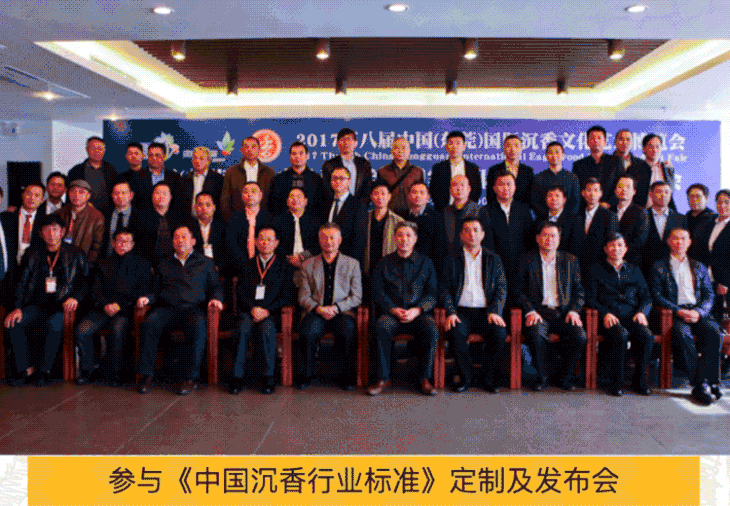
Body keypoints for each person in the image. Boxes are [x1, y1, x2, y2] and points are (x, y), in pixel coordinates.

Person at [136, 224, 224, 396]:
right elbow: (155, 290)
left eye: (184, 237)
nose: (180, 240)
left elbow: (216, 287)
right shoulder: (164, 263)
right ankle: (146, 375)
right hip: (167, 308)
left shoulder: (205, 263)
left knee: (199, 327)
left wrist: (216, 299)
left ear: (193, 241)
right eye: (176, 237)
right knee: (150, 323)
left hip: (192, 309)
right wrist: (147, 298)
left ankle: (190, 378)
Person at [4, 214, 89, 386]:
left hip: (62, 307)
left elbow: (86, 282)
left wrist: (75, 298)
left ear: (62, 232)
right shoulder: (32, 253)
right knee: (14, 322)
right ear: (41, 233)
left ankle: (44, 371)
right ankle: (26, 369)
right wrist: (17, 308)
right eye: (47, 229)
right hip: (37, 306)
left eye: (55, 229)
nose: (51, 233)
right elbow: (21, 283)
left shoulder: (75, 253)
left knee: (53, 324)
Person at [649, 227, 723, 405]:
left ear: (689, 243)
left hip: (698, 312)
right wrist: (678, 311)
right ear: (668, 241)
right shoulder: (659, 266)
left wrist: (699, 312)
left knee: (714, 332)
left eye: (683, 239)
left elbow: (709, 295)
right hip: (676, 313)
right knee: (683, 335)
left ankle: (710, 381)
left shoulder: (699, 266)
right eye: (675, 238)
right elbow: (657, 296)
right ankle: (701, 383)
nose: (679, 242)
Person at [368, 222, 439, 396]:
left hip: (417, 314)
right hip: (392, 314)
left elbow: (432, 294)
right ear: (394, 238)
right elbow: (377, 292)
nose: (404, 239)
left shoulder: (426, 263)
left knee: (431, 328)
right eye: (400, 235)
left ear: (415, 239)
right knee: (382, 326)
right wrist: (393, 309)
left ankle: (425, 378)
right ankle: (383, 378)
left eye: (408, 235)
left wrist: (418, 310)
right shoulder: (383, 263)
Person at [75, 228, 152, 387]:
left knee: (117, 329)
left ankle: (116, 372)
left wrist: (120, 305)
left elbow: (142, 291)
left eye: (127, 241)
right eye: (119, 241)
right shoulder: (103, 263)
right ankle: (89, 369)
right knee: (82, 330)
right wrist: (105, 305)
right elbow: (95, 290)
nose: (122, 245)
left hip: (125, 310)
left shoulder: (142, 264)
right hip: (102, 308)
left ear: (132, 244)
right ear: (112, 243)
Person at [516, 221, 587, 391]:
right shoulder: (526, 260)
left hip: (563, 313)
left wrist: (574, 311)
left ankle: (565, 375)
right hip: (538, 312)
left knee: (579, 336)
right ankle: (541, 376)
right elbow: (517, 291)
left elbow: (579, 292)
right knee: (535, 333)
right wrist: (530, 311)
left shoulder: (570, 261)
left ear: (559, 239)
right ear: (537, 238)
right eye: (545, 235)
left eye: (553, 236)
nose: (549, 239)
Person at [440, 217, 507, 393]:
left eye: (476, 230)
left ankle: (488, 377)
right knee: (455, 331)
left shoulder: (494, 259)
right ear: (461, 235)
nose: (472, 234)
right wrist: (451, 312)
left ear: (483, 234)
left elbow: (501, 288)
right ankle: (465, 377)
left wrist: (496, 311)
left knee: (499, 333)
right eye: (467, 230)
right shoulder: (452, 259)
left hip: (487, 312)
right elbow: (444, 290)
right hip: (461, 312)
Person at [229, 226, 294, 395]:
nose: (265, 243)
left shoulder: (284, 267)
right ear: (256, 242)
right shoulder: (247, 265)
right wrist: (253, 308)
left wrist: (267, 311)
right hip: (249, 311)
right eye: (262, 239)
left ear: (276, 243)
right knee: (242, 328)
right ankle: (237, 377)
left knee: (267, 328)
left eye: (269, 239)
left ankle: (268, 376)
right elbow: (240, 292)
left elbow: (287, 296)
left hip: (272, 313)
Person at [298, 223, 362, 391]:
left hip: (342, 311)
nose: (328, 241)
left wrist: (336, 308)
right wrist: (318, 308)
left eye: (332, 237)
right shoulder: (308, 264)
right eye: (324, 238)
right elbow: (303, 296)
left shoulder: (352, 264)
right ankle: (307, 374)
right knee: (308, 331)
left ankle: (347, 376)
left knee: (348, 331)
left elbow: (357, 296)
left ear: (340, 240)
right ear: (319, 240)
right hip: (316, 311)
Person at [588, 232, 653, 397]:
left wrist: (642, 312)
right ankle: (616, 382)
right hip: (609, 318)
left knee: (646, 336)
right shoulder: (595, 270)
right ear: (605, 249)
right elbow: (590, 299)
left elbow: (646, 297)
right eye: (612, 245)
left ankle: (640, 381)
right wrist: (605, 313)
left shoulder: (634, 270)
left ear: (625, 249)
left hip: (632, 316)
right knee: (620, 335)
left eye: (619, 245)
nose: (616, 249)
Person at [487, 170, 534, 306]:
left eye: (509, 184)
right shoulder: (486, 211)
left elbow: (529, 239)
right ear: (494, 188)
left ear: (515, 187)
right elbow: (486, 242)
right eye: (501, 184)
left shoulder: (524, 210)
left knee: (519, 305)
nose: (505, 188)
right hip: (495, 268)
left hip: (521, 267)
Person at [353, 183, 404, 301]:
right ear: (371, 196)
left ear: (389, 196)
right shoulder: (364, 218)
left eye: (383, 194)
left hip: (389, 271)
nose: (380, 197)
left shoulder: (398, 221)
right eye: (376, 193)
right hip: (367, 268)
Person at [440, 175, 494, 268]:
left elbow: (488, 241)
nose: (459, 188)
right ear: (450, 189)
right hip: (450, 263)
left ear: (469, 189)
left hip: (474, 262)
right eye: (455, 185)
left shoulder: (479, 211)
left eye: (462, 185)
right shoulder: (445, 212)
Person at [692, 190, 730, 321]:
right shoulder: (710, 223)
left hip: (724, 283)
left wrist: (726, 282)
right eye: (719, 202)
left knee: (722, 320)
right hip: (708, 279)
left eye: (727, 202)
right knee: (708, 317)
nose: (722, 205)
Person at [221, 136, 276, 220]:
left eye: (253, 147)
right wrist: (229, 219)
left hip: (264, 220)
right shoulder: (232, 172)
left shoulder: (269, 173)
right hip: (237, 220)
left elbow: (273, 199)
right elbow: (225, 199)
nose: (250, 150)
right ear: (241, 150)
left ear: (259, 149)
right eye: (246, 147)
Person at [225, 182, 275, 273]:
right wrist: (245, 265)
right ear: (242, 196)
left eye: (253, 191)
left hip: (265, 267)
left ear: (260, 195)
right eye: (246, 192)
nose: (249, 194)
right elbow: (231, 244)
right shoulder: (234, 218)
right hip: (239, 267)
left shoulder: (270, 219)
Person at [268, 141, 326, 217]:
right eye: (294, 154)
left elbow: (321, 206)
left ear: (307, 156)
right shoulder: (279, 179)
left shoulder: (316, 179)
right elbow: (273, 205)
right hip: (284, 221)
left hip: (311, 222)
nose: (297, 156)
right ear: (290, 156)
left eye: (301, 153)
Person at [429, 130, 482, 212]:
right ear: (446, 147)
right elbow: (434, 191)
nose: (454, 146)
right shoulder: (438, 168)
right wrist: (444, 210)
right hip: (444, 212)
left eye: (458, 143)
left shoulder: (473, 168)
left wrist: (468, 208)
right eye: (451, 143)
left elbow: (476, 191)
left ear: (464, 147)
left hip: (468, 212)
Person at [575, 177, 619, 276]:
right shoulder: (576, 215)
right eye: (589, 190)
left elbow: (611, 243)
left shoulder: (610, 216)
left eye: (596, 190)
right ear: (583, 193)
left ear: (601, 193)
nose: (592, 194)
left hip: (600, 268)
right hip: (578, 267)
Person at [642, 181, 686, 276]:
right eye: (659, 192)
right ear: (651, 195)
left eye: (667, 192)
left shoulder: (680, 218)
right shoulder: (641, 215)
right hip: (646, 268)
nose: (663, 195)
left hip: (673, 269)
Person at [572, 125, 622, 209]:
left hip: (611, 208)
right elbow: (577, 190)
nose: (596, 140)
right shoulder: (579, 165)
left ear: (605, 142)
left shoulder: (616, 162)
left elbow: (620, 184)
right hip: (586, 209)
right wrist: (590, 204)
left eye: (599, 138)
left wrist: (609, 203)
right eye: (592, 138)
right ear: (587, 142)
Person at [56, 179, 105, 264]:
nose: (76, 195)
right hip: (60, 261)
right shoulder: (60, 213)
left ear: (88, 196)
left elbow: (97, 248)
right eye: (73, 192)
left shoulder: (97, 217)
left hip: (83, 264)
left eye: (81, 192)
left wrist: (86, 266)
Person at [276, 188, 321, 278]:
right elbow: (275, 245)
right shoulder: (278, 221)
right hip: (285, 264)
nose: (295, 199)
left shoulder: (315, 222)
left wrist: (302, 257)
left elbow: (319, 244)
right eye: (292, 197)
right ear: (287, 201)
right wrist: (290, 259)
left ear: (305, 201)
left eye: (299, 197)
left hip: (311, 264)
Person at [126, 142, 181, 215]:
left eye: (157, 155)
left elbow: (177, 202)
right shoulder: (137, 177)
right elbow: (134, 202)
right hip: (143, 218)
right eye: (151, 155)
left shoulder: (174, 177)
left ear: (164, 156)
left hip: (168, 218)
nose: (154, 158)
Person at [321, 166, 364, 258]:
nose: (337, 181)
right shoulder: (325, 203)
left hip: (347, 259)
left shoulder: (358, 206)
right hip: (325, 257)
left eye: (341, 178)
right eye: (334, 178)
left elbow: (359, 240)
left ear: (349, 181)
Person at [321, 128, 373, 203]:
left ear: (356, 143)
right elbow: (327, 190)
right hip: (337, 206)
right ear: (337, 143)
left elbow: (367, 189)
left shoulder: (364, 164)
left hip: (359, 207)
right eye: (342, 140)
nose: (346, 143)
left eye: (349, 139)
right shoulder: (329, 165)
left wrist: (360, 206)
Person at [67, 136, 116, 216]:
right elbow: (70, 195)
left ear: (104, 150)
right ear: (87, 149)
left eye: (100, 148)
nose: (96, 151)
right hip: (83, 215)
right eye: (93, 148)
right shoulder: (75, 171)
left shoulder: (111, 170)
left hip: (108, 214)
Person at [375, 137, 425, 215]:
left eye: (403, 148)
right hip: (390, 215)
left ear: (409, 150)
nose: (400, 151)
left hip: (412, 215)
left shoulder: (417, 171)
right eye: (396, 148)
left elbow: (422, 195)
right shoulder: (383, 171)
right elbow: (379, 195)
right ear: (392, 151)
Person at [1, 182, 47, 265]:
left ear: (42, 200)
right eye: (29, 194)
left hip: (35, 268)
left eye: (36, 195)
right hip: (10, 267)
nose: (32, 198)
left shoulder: (45, 221)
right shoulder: (5, 218)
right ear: (22, 195)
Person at [627, 133, 676, 210]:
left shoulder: (667, 168)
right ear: (644, 149)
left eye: (657, 146)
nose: (654, 149)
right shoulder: (634, 169)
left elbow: (671, 192)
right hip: (641, 212)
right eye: (651, 146)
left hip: (664, 212)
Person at [531, 141, 580, 217]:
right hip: (544, 220)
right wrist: (550, 216)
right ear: (546, 157)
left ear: (563, 155)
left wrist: (563, 218)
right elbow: (535, 202)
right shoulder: (538, 178)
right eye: (550, 153)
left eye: (557, 152)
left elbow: (575, 202)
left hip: (568, 221)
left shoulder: (572, 178)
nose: (554, 155)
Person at [486, 134, 534, 208]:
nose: (513, 149)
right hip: (498, 211)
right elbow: (490, 195)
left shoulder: (528, 171)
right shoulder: (494, 170)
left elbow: (531, 196)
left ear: (521, 149)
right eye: (509, 146)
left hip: (522, 212)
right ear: (503, 149)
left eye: (516, 146)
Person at [613, 175, 649, 267]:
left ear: (634, 191)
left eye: (628, 187)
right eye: (620, 186)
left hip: (631, 263)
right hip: (609, 261)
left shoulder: (641, 213)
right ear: (615, 190)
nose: (624, 189)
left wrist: (619, 255)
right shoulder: (609, 211)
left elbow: (640, 241)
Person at [398, 182, 438, 262]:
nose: (418, 195)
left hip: (427, 263)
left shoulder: (437, 218)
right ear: (409, 196)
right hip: (404, 262)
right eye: (414, 192)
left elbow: (439, 247)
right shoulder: (401, 217)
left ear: (428, 197)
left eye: (422, 193)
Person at [535, 184, 580, 255]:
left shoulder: (574, 220)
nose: (553, 199)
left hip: (565, 259)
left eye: (557, 196)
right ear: (546, 199)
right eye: (550, 196)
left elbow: (576, 247)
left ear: (564, 199)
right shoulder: (539, 219)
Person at [103, 180, 144, 257]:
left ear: (131, 195)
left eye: (123, 193)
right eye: (116, 193)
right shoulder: (104, 214)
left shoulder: (141, 217)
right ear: (112, 195)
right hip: (107, 260)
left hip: (132, 261)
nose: (120, 196)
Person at [179, 146, 223, 217]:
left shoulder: (218, 180)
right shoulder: (184, 179)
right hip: (188, 221)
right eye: (195, 158)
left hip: (211, 221)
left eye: (201, 158)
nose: (197, 161)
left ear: (208, 161)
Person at [192, 192, 227, 271]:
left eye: (208, 205)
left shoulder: (223, 226)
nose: (204, 208)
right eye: (200, 205)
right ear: (195, 207)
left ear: (214, 207)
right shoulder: (188, 228)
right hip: (195, 270)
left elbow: (227, 252)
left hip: (218, 270)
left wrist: (218, 267)